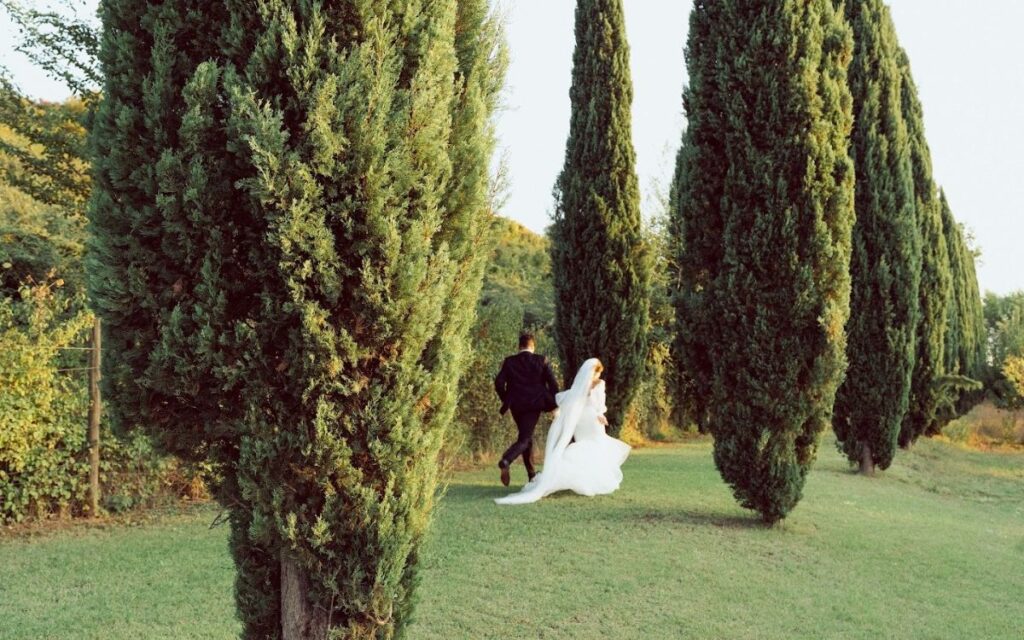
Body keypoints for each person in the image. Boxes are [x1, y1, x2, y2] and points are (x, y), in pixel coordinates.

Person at [495, 358, 631, 505]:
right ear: (595, 372)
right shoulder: (599, 384)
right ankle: (595, 480)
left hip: (580, 421)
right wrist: (600, 414)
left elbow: (563, 398)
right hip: (592, 420)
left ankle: (575, 478)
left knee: (585, 446)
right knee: (597, 446)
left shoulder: (578, 388)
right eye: (598, 373)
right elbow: (599, 404)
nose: (599, 376)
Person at [493, 333, 561, 486]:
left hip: (516, 405)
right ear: (533, 346)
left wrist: (507, 399)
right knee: (524, 439)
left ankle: (531, 475)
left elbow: (498, 383)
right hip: (534, 405)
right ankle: (506, 460)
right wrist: (554, 404)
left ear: (519, 346)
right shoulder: (542, 360)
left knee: (526, 436)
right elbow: (553, 384)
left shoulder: (509, 361)